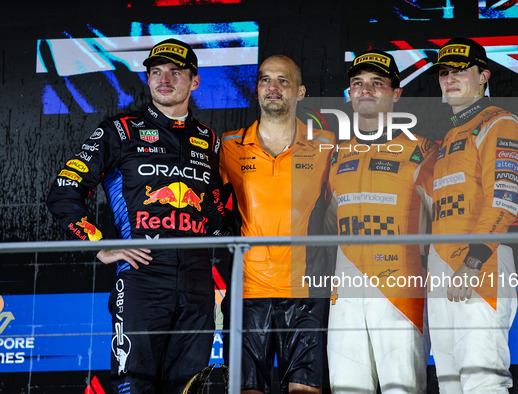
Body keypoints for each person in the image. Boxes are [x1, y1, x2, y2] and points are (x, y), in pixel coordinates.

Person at [47, 38, 230, 394]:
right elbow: (65, 189)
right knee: (134, 386)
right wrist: (99, 245)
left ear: (194, 81)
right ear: (147, 78)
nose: (164, 79)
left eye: (176, 72)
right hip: (142, 277)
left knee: (188, 387)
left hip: (196, 282)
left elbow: (219, 208)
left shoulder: (210, 140)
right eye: (156, 71)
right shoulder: (120, 131)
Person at [219, 55, 336, 393]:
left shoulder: (326, 145)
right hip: (248, 292)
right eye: (265, 80)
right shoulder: (229, 146)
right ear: (256, 90)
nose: (273, 87)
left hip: (306, 293)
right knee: (247, 390)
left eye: (283, 80)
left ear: (300, 92)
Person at [326, 49, 437, 393]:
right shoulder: (335, 153)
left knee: (401, 388)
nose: (366, 90)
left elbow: (447, 221)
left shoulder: (425, 150)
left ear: (396, 93)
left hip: (401, 292)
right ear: (350, 94)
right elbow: (326, 224)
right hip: (343, 292)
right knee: (346, 388)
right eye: (358, 83)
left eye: (377, 83)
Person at [426, 37, 518, 393]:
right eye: (443, 73)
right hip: (441, 267)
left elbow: (503, 201)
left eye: (461, 71)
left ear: (484, 76)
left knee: (482, 382)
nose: (450, 79)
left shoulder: (500, 123)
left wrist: (472, 263)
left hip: (478, 263)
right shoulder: (452, 134)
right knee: (451, 384)